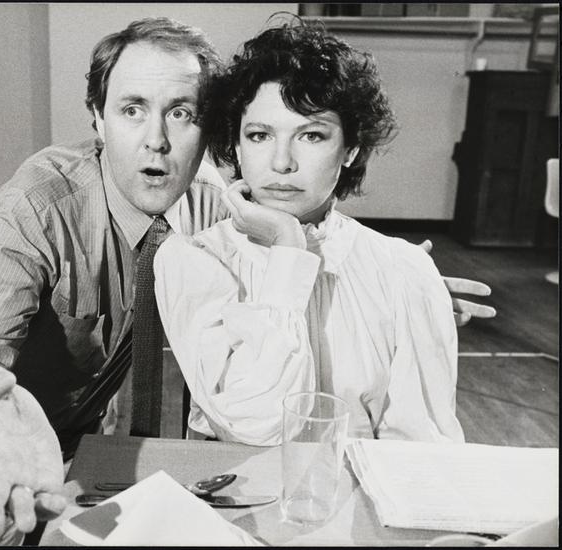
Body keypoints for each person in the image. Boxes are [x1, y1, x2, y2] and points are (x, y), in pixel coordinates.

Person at [0, 14, 492, 547]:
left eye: (181, 113)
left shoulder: (211, 200)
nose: (157, 140)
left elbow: (292, 235)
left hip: (95, 440)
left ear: (208, 132)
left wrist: (396, 283)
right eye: (132, 109)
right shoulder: (34, 209)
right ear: (97, 118)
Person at [154, 19, 478, 446]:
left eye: (311, 135)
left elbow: (420, 449)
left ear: (351, 149)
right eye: (259, 135)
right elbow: (255, 423)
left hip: (359, 486)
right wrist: (288, 249)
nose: (282, 162)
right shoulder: (191, 260)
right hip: (235, 484)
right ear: (235, 145)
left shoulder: (404, 269)